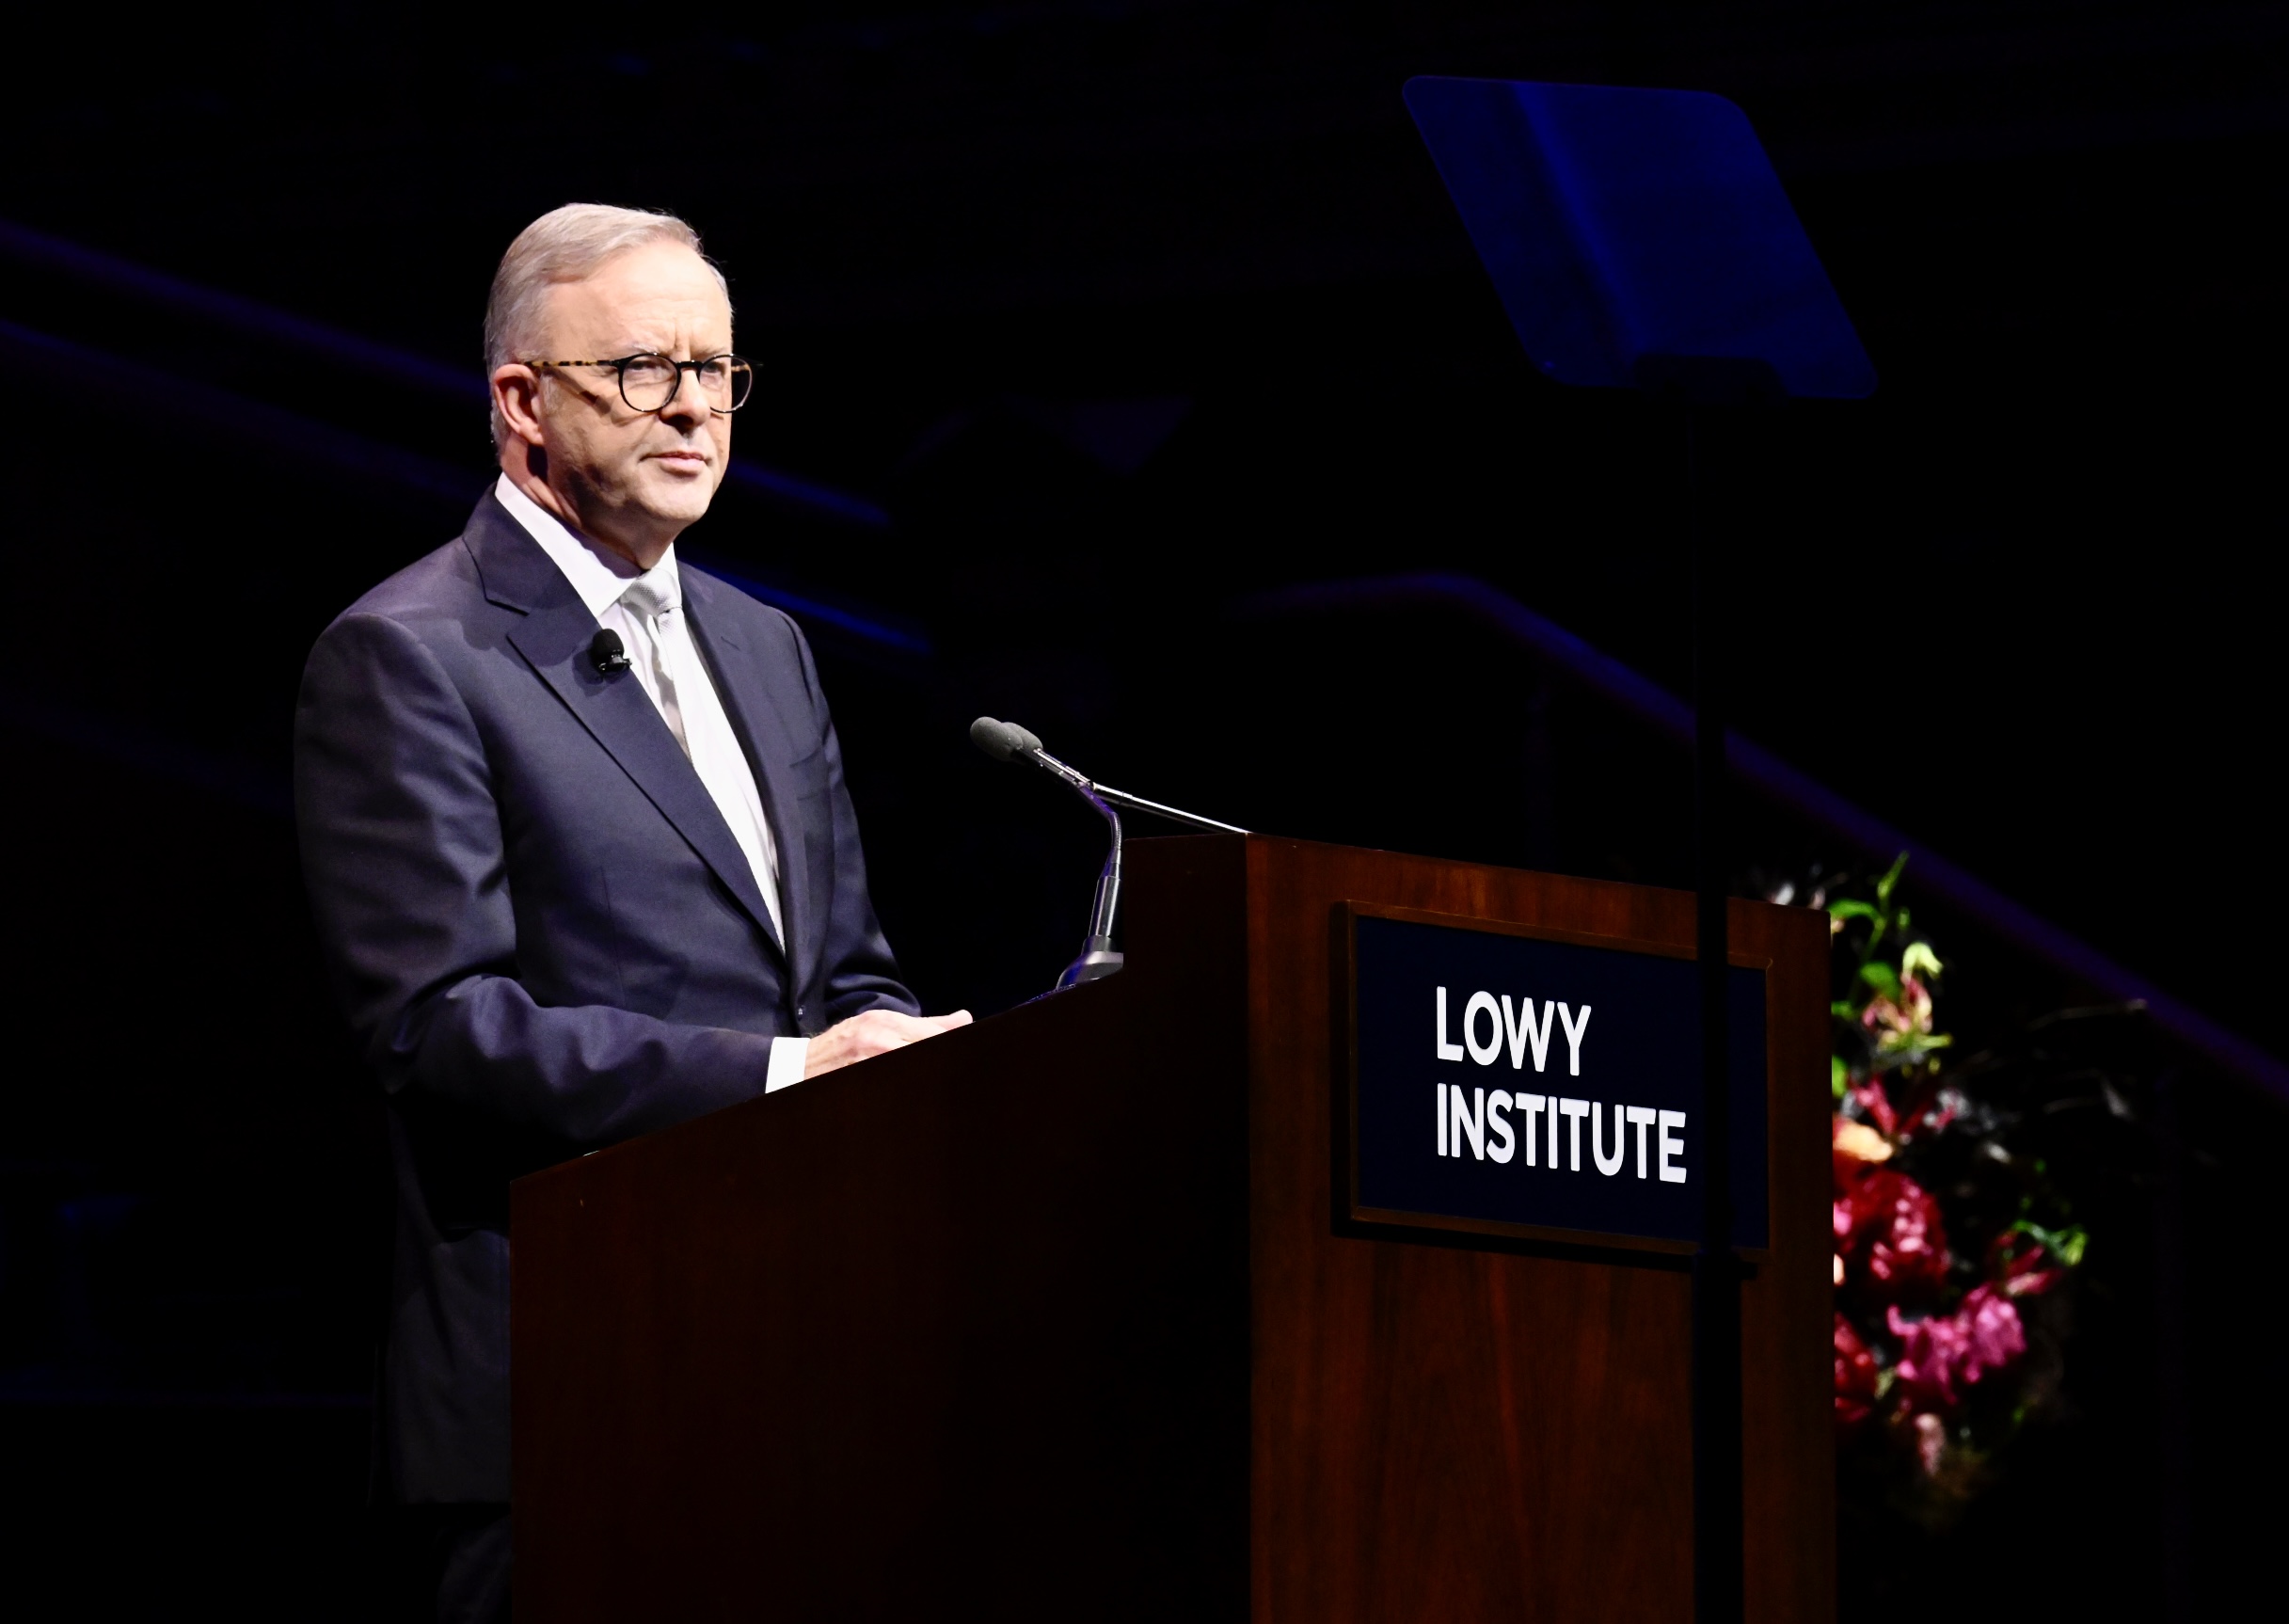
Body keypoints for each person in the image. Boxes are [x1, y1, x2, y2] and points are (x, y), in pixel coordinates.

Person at [294, 203, 969, 1620]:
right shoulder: (410, 655)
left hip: (797, 1363)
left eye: (716, 371)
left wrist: (894, 1051)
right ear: (522, 403)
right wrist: (782, 1077)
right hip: (564, 1384)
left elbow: (840, 971)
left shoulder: (764, 644)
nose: (692, 408)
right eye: (642, 370)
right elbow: (436, 1026)